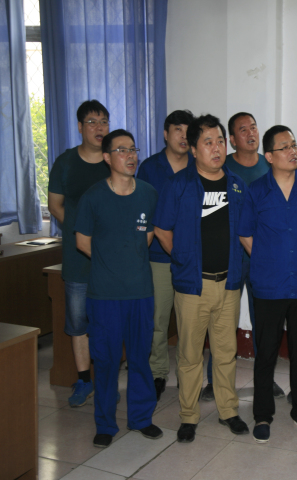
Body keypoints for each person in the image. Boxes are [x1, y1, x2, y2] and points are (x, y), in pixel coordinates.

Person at [153, 114, 249, 443]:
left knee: (225, 352)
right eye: (208, 142)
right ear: (193, 149)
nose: (216, 148)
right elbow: (162, 230)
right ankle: (189, 415)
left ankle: (228, 410)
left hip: (229, 284)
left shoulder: (236, 185)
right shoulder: (178, 185)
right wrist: (183, 259)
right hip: (193, 286)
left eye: (220, 141)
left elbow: (245, 232)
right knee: (190, 354)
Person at [75, 129, 162, 448]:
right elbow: (82, 241)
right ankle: (105, 424)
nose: (130, 156)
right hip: (105, 296)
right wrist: (110, 261)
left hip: (141, 292)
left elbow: (147, 237)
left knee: (140, 358)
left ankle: (141, 418)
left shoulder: (148, 194)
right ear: (107, 158)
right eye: (122, 150)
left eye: (133, 149)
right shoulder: (93, 197)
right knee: (107, 361)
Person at [238, 125, 297, 444]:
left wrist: (296, 256)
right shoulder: (257, 190)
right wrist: (267, 259)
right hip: (268, 285)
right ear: (270, 156)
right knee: (266, 353)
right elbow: (245, 233)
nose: (293, 151)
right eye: (285, 147)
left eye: (295, 145)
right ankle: (262, 415)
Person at [48, 100, 111, 407]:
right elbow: (54, 205)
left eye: (104, 122)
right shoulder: (66, 162)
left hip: (110, 259)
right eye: (92, 122)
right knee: (78, 323)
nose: (99, 128)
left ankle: (107, 380)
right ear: (79, 127)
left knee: (108, 321)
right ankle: (84, 380)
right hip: (77, 258)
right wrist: (79, 233)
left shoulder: (114, 160)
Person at [224, 112, 285, 399]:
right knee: (224, 321)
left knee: (265, 323)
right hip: (229, 257)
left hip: (264, 260)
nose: (251, 133)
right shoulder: (222, 167)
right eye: (243, 130)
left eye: (254, 127)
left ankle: (266, 379)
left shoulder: (270, 165)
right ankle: (216, 380)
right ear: (232, 139)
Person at [137, 109, 194, 401]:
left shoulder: (198, 164)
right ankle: (158, 372)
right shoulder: (150, 167)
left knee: (189, 323)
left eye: (188, 131)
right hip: (159, 257)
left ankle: (187, 374)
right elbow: (142, 213)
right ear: (165, 134)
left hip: (192, 259)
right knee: (158, 320)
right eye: (177, 130)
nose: (183, 136)